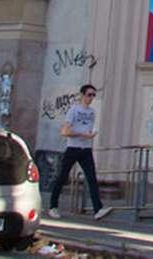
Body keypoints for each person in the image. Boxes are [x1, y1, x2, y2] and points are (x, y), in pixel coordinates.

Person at [48, 85, 113, 220]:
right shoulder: (74, 110)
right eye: (89, 95)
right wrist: (82, 135)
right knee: (62, 176)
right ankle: (53, 206)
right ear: (82, 95)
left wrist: (91, 134)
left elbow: (89, 128)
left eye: (93, 95)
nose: (91, 98)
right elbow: (65, 131)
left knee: (91, 178)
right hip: (73, 148)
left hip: (86, 149)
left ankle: (98, 209)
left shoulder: (92, 112)